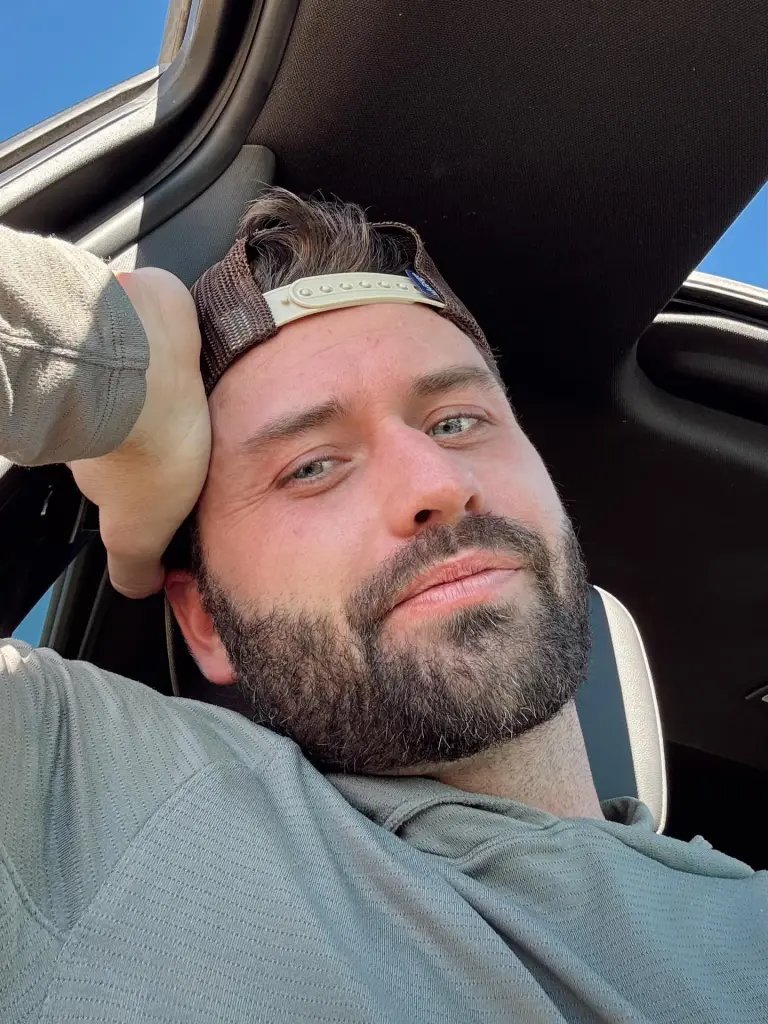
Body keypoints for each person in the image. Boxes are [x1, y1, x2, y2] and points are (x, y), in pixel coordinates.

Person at [0, 188, 765, 1024]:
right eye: (312, 466)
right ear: (207, 624)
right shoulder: (80, 808)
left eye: (459, 420)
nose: (437, 485)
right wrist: (113, 365)